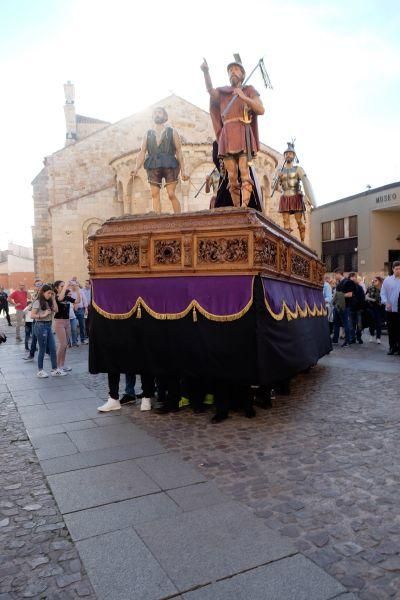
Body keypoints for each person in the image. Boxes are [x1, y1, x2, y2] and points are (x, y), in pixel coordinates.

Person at [201, 57, 264, 208]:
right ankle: (236, 208)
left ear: (242, 74)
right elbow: (210, 91)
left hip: (242, 132)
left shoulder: (249, 90)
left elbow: (260, 109)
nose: (232, 72)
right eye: (230, 70)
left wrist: (243, 97)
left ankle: (244, 207)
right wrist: (206, 72)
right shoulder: (223, 92)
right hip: (227, 135)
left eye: (235, 70)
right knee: (232, 176)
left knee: (244, 172)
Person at [132, 107, 189, 214]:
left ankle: (179, 218)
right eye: (155, 113)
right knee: (154, 194)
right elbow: (142, 152)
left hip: (170, 164)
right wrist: (136, 168)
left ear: (164, 116)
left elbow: (179, 151)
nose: (157, 115)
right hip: (153, 165)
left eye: (159, 113)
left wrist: (183, 171)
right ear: (153, 117)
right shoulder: (148, 134)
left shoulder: (172, 132)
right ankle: (158, 219)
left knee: (171, 194)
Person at [277, 142, 316, 242]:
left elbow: (305, 182)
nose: (288, 155)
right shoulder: (280, 171)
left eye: (290, 153)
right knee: (285, 221)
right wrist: (278, 178)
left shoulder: (298, 169)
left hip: (296, 196)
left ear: (294, 156)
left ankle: (302, 242)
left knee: (299, 220)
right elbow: (276, 187)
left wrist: (308, 197)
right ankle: (287, 242)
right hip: (285, 197)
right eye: (286, 154)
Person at [31, 285, 66, 378]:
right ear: (43, 292)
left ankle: (54, 370)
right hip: (40, 326)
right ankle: (40, 370)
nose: (50, 295)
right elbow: (32, 315)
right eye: (48, 293)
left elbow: (57, 310)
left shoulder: (49, 301)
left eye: (51, 293)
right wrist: (43, 314)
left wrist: (54, 299)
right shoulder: (38, 302)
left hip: (48, 326)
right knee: (42, 349)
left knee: (53, 348)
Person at [53, 280, 76, 373]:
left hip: (67, 321)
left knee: (65, 345)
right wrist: (66, 285)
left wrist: (77, 289)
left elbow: (77, 301)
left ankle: (62, 365)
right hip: (59, 322)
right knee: (62, 344)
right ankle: (57, 367)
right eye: (61, 286)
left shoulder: (66, 297)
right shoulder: (55, 296)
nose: (64, 287)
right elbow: (60, 298)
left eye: (64, 286)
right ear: (56, 288)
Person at [332, 269, 357, 347]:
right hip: (338, 306)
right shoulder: (339, 283)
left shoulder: (348, 282)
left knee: (346, 323)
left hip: (345, 306)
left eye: (335, 274)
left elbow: (350, 294)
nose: (334, 276)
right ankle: (335, 339)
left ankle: (348, 341)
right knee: (336, 323)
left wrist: (339, 296)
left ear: (339, 273)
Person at [380, 261, 400, 355]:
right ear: (392, 269)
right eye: (397, 269)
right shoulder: (387, 280)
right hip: (390, 310)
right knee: (391, 330)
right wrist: (385, 302)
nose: (398, 270)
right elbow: (382, 293)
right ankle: (392, 347)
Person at [348, 272, 366, 344]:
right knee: (351, 324)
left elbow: (362, 298)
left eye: (354, 277)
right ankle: (353, 338)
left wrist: (362, 307)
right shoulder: (347, 287)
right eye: (351, 277)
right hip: (350, 308)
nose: (353, 278)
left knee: (359, 325)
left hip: (358, 309)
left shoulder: (359, 287)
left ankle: (359, 337)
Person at [365, 276, 383, 343]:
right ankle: (371, 335)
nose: (374, 282)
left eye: (376, 280)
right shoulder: (370, 288)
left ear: (379, 281)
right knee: (371, 322)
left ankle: (378, 338)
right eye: (374, 280)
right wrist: (373, 300)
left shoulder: (383, 288)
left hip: (380, 308)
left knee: (378, 323)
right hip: (371, 307)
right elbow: (366, 297)